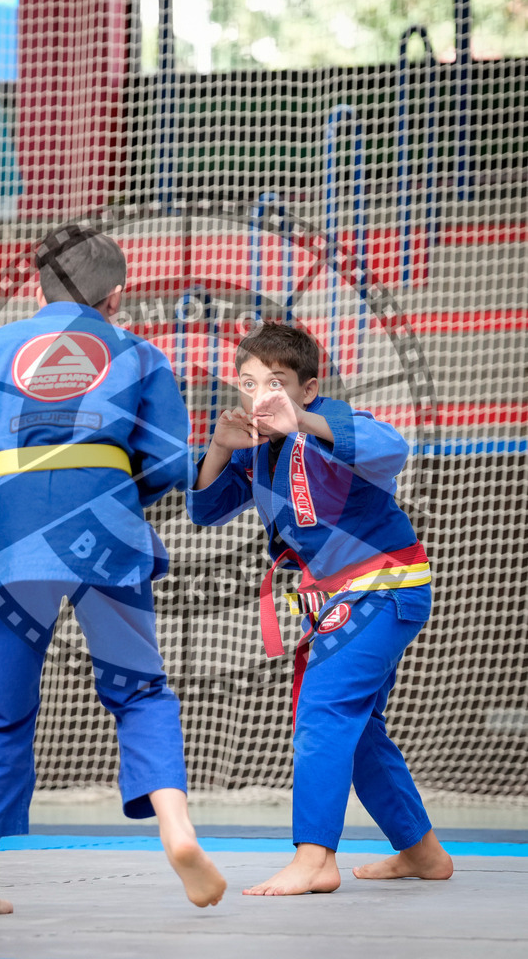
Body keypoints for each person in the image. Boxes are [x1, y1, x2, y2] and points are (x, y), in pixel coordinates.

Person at [0, 223, 226, 916]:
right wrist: (113, 491)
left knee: (0, 708)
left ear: (38, 289)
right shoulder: (137, 353)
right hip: (105, 534)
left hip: (8, 536)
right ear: (117, 297)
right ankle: (177, 833)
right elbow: (173, 462)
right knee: (140, 690)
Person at [187, 320, 453, 896]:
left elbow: (394, 447)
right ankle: (423, 853)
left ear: (308, 389)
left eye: (276, 383)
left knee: (324, 712)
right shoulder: (258, 449)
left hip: (383, 586)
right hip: (337, 601)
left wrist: (301, 421)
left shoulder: (333, 425)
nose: (261, 396)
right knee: (357, 731)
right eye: (249, 382)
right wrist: (218, 447)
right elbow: (206, 510)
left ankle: (314, 859)